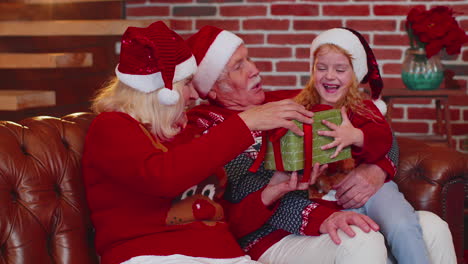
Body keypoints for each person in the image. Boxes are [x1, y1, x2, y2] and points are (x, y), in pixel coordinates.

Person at [185, 25, 456, 264]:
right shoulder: (207, 127)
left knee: (435, 228)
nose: (254, 69)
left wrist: (376, 171)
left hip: (334, 204)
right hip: (275, 234)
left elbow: (378, 129)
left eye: (249, 59)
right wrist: (318, 216)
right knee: (360, 238)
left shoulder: (290, 99)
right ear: (212, 89)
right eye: (238, 66)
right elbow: (241, 192)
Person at [82, 21, 322, 264]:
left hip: (226, 255)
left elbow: (222, 219)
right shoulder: (112, 126)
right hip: (152, 255)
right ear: (163, 92)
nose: (195, 94)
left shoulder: (188, 134)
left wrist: (268, 194)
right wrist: (245, 123)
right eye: (187, 84)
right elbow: (163, 177)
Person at [293, 27, 433, 264]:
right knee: (368, 245)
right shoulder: (301, 109)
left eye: (340, 69)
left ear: (354, 75)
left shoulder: (364, 109)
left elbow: (384, 139)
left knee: (402, 225)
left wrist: (356, 136)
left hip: (377, 192)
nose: (330, 76)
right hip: (331, 197)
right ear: (312, 70)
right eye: (321, 68)